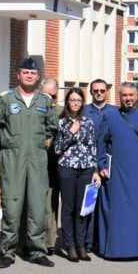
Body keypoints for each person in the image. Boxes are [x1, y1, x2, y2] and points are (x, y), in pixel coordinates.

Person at [0, 56, 59, 268]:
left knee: (37, 206)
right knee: (12, 205)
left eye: (33, 73)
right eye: (25, 72)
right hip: (12, 159)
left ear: (38, 77)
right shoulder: (6, 99)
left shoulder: (44, 100)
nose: (29, 76)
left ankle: (36, 251)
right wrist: (8, 142)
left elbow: (52, 127)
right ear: (18, 74)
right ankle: (7, 252)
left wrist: (40, 144)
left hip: (37, 160)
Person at [96, 82, 138, 260]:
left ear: (136, 96)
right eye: (124, 95)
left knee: (137, 212)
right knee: (115, 212)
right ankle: (114, 250)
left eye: (131, 95)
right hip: (116, 173)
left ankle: (137, 250)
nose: (128, 98)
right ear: (120, 97)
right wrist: (101, 165)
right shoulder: (110, 117)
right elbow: (101, 143)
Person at [54, 88, 102, 262]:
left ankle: (81, 244)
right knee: (68, 207)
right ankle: (70, 245)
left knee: (83, 208)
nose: (75, 103)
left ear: (82, 103)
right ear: (67, 102)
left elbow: (92, 147)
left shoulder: (88, 122)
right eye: (72, 100)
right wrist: (71, 132)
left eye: (78, 100)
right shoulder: (61, 122)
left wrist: (95, 170)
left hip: (86, 169)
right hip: (67, 168)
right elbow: (57, 148)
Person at [85, 78, 117, 252]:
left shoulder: (115, 112)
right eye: (95, 90)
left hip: (108, 166)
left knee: (107, 205)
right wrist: (93, 167)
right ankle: (88, 242)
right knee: (89, 204)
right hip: (87, 165)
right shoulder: (83, 111)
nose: (99, 93)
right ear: (91, 92)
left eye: (102, 90)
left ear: (107, 92)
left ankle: (103, 240)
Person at [38, 77, 63, 254]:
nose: (49, 99)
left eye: (52, 96)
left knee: (50, 203)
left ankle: (49, 242)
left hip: (54, 163)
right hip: (35, 161)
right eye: (45, 95)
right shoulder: (33, 110)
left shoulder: (61, 112)